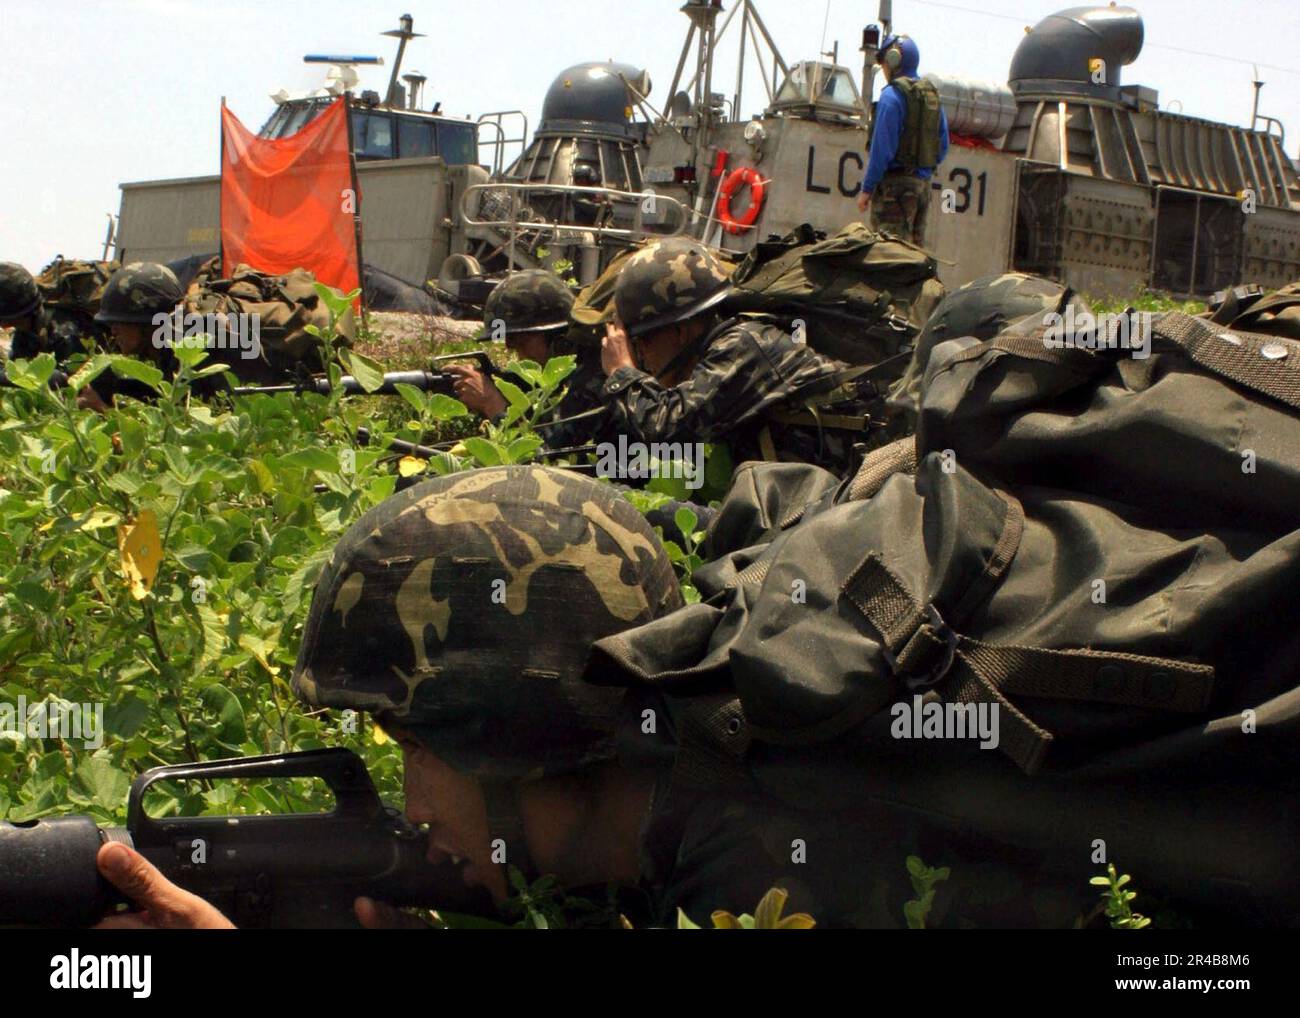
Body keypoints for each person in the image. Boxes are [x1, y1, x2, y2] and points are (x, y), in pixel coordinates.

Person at [599, 236, 867, 471]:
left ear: (679, 332)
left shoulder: (743, 346)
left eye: (641, 340)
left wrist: (621, 371)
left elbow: (666, 431)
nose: (640, 355)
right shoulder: (726, 342)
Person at [445, 269, 609, 450]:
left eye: (520, 341)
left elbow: (541, 457)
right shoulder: (563, 371)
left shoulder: (595, 375)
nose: (513, 349)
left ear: (558, 338)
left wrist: (493, 403)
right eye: (507, 341)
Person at [855, 34, 949, 247]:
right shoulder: (932, 97)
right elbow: (942, 147)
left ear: (894, 59)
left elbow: (881, 152)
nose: (885, 70)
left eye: (885, 63)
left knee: (889, 256)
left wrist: (867, 190)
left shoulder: (891, 96)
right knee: (914, 256)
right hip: (922, 189)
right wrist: (921, 172)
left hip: (894, 191)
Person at [0, 261, 85, 365]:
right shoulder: (25, 331)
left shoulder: (63, 332)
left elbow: (73, 376)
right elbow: (17, 365)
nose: (3, 326)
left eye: (5, 320)